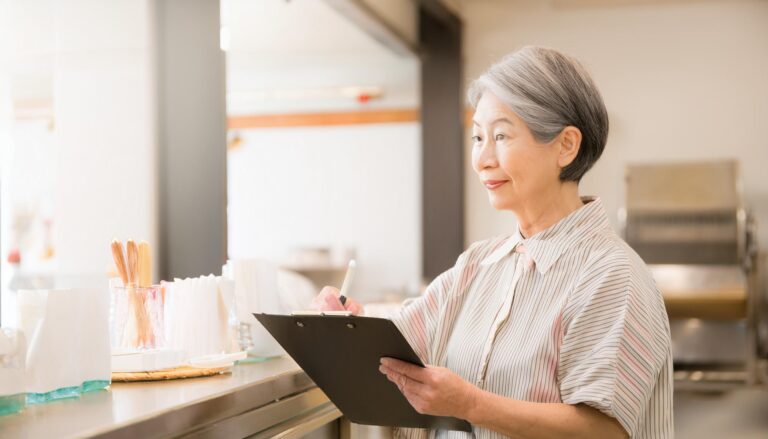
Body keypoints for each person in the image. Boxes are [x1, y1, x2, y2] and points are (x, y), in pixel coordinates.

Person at [315, 46, 672, 439]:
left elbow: (605, 431)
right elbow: (403, 347)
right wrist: (349, 325)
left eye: (501, 135)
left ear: (566, 146)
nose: (482, 158)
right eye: (478, 137)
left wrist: (470, 404)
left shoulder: (611, 274)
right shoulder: (480, 262)